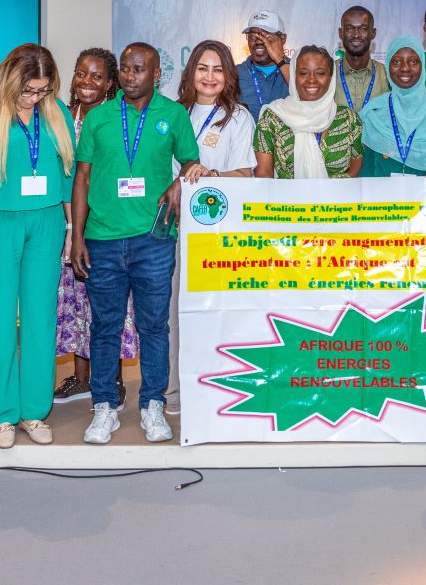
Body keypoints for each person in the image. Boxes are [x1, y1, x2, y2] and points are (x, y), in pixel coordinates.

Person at [72, 43, 202, 445]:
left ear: (156, 73)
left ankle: (152, 405)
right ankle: (105, 407)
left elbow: (193, 164)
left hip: (153, 240)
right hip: (102, 239)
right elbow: (83, 178)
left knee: (153, 327)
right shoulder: (99, 117)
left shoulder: (174, 114)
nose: (130, 76)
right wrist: (76, 236)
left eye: (139, 69)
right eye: (125, 69)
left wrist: (180, 182)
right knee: (105, 327)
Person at [0, 45, 76, 448]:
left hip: (46, 223)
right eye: (28, 90)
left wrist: (73, 228)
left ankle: (34, 410)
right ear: (10, 81)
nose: (34, 98)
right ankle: (4, 415)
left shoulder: (57, 114)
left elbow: (67, 175)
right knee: (0, 320)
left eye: (42, 91)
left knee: (42, 319)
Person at [165, 40, 258, 413]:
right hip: (173, 229)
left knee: (217, 315)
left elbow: (247, 173)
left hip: (218, 233)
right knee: (171, 315)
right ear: (191, 73)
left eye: (218, 69)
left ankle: (219, 394)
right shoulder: (173, 114)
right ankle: (173, 393)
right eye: (202, 68)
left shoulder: (238, 117)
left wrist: (211, 175)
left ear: (228, 75)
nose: (209, 76)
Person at [54, 48, 138, 407]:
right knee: (75, 302)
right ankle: (81, 378)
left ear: (111, 82)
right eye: (81, 74)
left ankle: (112, 379)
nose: (87, 83)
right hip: (62, 226)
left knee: (108, 304)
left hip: (101, 226)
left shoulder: (116, 119)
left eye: (97, 77)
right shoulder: (59, 115)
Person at [359, 35, 426, 178]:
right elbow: (365, 168)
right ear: (388, 66)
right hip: (381, 197)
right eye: (396, 61)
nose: (405, 68)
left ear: (422, 66)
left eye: (413, 61)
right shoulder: (372, 112)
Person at [253, 45, 364, 179]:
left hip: (337, 198)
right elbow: (263, 174)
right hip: (286, 199)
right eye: (303, 73)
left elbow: (356, 165)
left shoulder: (348, 118)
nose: (312, 80)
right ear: (294, 76)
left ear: (330, 77)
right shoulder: (272, 117)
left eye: (320, 73)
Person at [236, 9, 290, 118]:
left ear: (282, 39)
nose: (259, 41)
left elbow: (308, 102)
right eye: (253, 37)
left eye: (266, 36)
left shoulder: (299, 71)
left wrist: (281, 60)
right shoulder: (235, 73)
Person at [334, 6, 389, 113]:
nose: (356, 35)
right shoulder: (328, 73)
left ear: (373, 33)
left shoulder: (387, 74)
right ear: (340, 33)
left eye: (363, 29)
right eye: (349, 28)